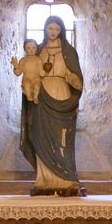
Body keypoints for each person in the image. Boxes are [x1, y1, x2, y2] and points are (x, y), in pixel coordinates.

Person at [19, 15, 85, 196]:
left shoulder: (69, 51)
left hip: (62, 92)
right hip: (42, 94)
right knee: (41, 134)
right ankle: (44, 179)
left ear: (61, 30)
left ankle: (65, 179)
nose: (53, 32)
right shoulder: (37, 50)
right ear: (45, 30)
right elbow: (29, 72)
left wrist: (73, 78)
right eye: (50, 28)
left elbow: (75, 74)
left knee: (61, 136)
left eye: (56, 29)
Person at [10, 39, 43, 103]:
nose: (31, 50)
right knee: (27, 85)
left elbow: (41, 70)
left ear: (36, 49)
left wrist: (42, 73)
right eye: (28, 48)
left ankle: (35, 97)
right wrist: (16, 66)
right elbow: (18, 73)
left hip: (36, 78)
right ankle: (29, 96)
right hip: (26, 78)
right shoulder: (23, 60)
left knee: (37, 86)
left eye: (34, 48)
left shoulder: (38, 60)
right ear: (24, 49)